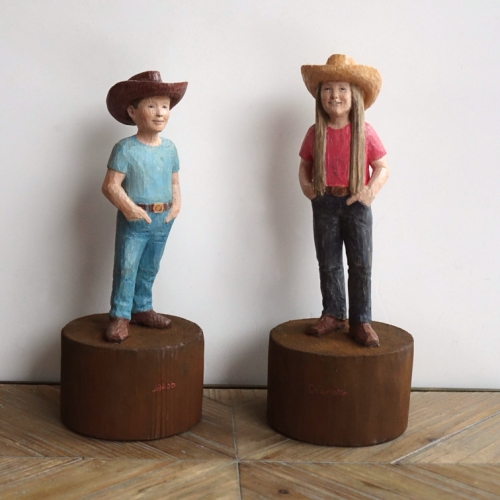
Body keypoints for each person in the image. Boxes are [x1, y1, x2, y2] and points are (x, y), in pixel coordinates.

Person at [299, 54, 389, 347]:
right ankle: (334, 313)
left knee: (360, 264)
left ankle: (361, 319)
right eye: (327, 89)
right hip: (325, 202)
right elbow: (305, 165)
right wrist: (308, 188)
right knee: (328, 262)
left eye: (341, 89)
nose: (334, 95)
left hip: (356, 205)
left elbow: (382, 167)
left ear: (355, 95)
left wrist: (369, 192)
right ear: (319, 96)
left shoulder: (365, 132)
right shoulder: (316, 133)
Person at [102, 71, 187, 342]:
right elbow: (110, 186)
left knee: (150, 266)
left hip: (164, 218)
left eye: (165, 106)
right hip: (136, 218)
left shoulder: (169, 148)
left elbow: (174, 182)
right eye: (151, 106)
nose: (160, 113)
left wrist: (176, 206)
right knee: (127, 266)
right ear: (132, 111)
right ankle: (120, 315)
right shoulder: (125, 149)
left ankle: (142, 308)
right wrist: (130, 210)